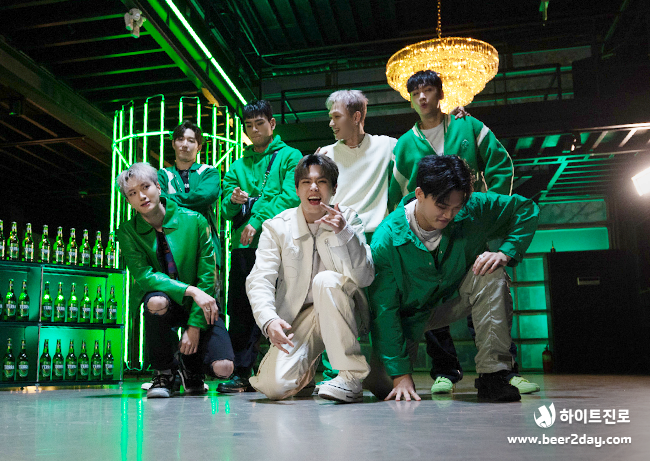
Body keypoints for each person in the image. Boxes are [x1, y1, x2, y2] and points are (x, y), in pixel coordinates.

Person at [389, 69, 539, 395]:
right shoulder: (404, 145)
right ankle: (445, 371)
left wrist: (483, 211)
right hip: (427, 238)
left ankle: (502, 370)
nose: (423, 97)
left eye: (429, 90)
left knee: (489, 281)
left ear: (441, 94)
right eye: (416, 93)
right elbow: (397, 194)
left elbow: (500, 164)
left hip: (467, 230)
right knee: (426, 295)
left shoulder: (468, 125)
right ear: (410, 100)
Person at [366, 155, 539, 402]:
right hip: (408, 317)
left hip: (452, 299)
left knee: (491, 272)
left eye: (456, 207)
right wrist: (400, 374)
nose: (449, 215)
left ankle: (494, 375)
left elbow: (525, 208)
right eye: (442, 206)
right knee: (383, 386)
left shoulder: (473, 208)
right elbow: (385, 311)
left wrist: (506, 252)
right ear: (419, 194)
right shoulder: (386, 239)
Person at [246, 153, 374, 402]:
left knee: (325, 280)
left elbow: (364, 277)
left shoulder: (348, 219)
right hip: (300, 319)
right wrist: (269, 320)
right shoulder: (277, 227)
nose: (313, 188)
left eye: (321, 181)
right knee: (275, 387)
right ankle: (305, 374)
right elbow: (260, 279)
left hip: (344, 308)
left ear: (334, 188)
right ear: (297, 189)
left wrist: (344, 233)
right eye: (306, 182)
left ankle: (350, 377)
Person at [116, 162, 234, 398]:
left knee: (224, 368)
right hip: (165, 305)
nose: (141, 196)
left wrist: (194, 326)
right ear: (128, 200)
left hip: (198, 305)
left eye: (145, 187)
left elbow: (207, 275)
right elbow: (144, 276)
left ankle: (190, 370)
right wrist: (191, 290)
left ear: (159, 187)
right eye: (132, 193)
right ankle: (164, 372)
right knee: (155, 301)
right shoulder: (127, 231)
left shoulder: (195, 220)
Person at [218, 99, 303, 393]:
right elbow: (224, 210)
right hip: (243, 247)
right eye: (248, 125)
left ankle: (284, 369)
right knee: (242, 308)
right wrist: (233, 201)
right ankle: (242, 372)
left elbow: (289, 197)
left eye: (259, 123)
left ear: (272, 124)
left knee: (280, 306)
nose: (254, 130)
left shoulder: (291, 156)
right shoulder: (237, 165)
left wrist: (256, 218)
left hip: (279, 242)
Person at [140, 121, 222, 393]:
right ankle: (165, 370)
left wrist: (174, 199)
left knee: (202, 304)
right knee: (162, 303)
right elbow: (172, 200)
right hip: (168, 247)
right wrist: (188, 199)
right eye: (180, 139)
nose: (185, 144)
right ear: (173, 143)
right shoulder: (161, 174)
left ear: (199, 146)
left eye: (191, 140)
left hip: (204, 246)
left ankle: (192, 370)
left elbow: (206, 196)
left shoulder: (210, 172)